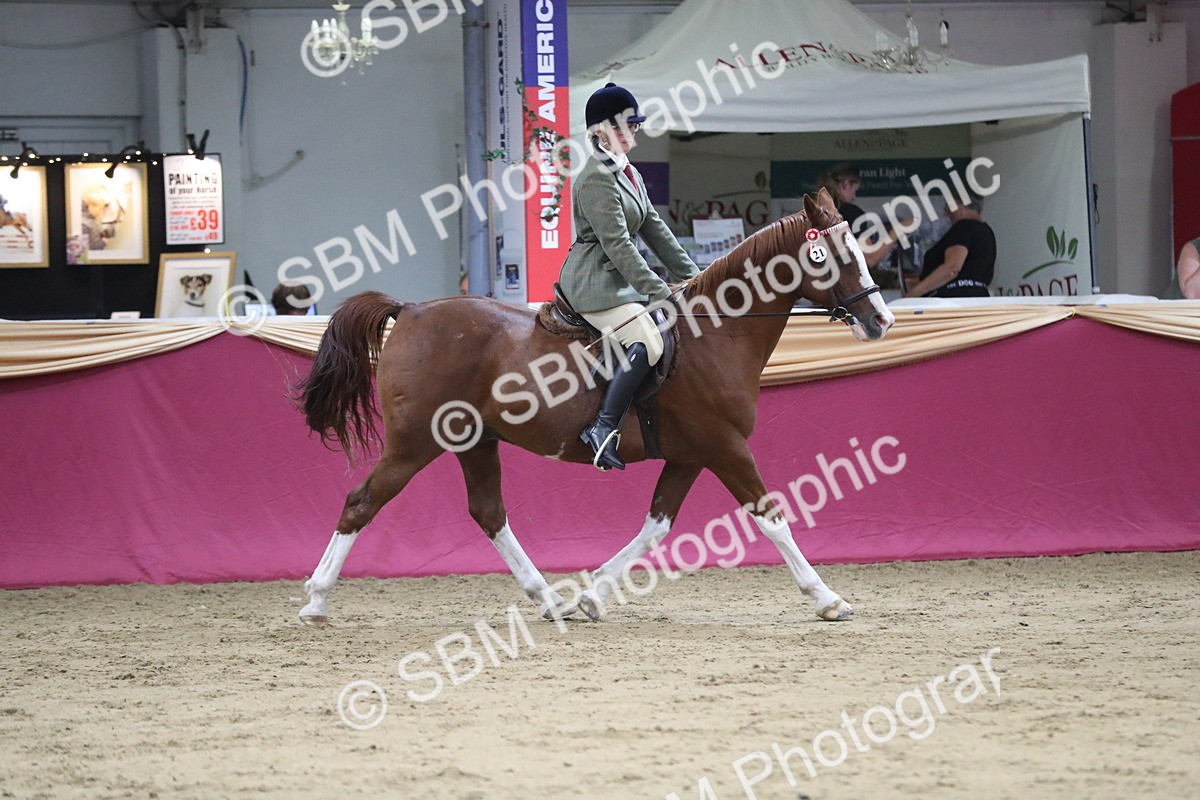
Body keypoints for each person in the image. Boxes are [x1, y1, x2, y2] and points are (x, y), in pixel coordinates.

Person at [558, 82, 701, 471]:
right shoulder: (595, 177)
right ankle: (602, 428)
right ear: (599, 131)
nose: (632, 132)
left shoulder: (628, 173)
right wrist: (660, 291)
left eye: (634, 125)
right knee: (648, 341)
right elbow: (619, 245)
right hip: (594, 283)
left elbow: (656, 230)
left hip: (619, 282)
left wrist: (697, 279)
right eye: (624, 125)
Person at [904, 190, 996, 298]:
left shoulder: (963, 227)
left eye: (948, 206)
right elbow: (969, 272)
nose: (946, 212)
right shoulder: (986, 232)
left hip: (952, 301)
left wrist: (913, 294)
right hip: (978, 299)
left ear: (962, 203)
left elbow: (952, 268)